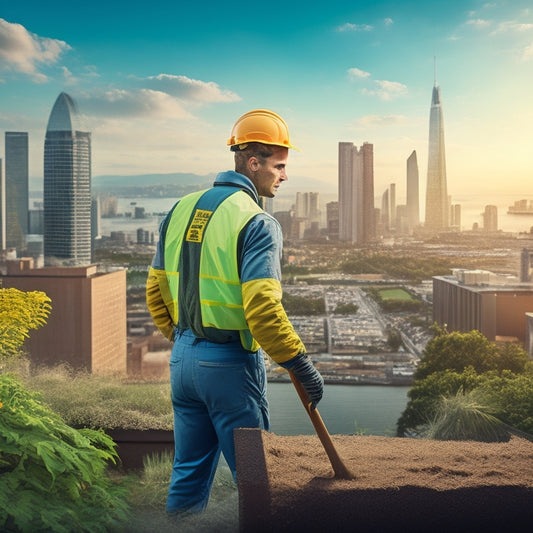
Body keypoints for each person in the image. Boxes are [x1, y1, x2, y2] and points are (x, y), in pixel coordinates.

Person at [146, 109, 324, 516]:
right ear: (253, 162)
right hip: (227, 365)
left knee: (188, 471)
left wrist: (184, 341)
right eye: (279, 166)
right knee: (257, 480)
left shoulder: (179, 210)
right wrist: (299, 363)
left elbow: (154, 290)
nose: (284, 176)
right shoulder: (257, 222)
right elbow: (262, 307)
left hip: (183, 361)